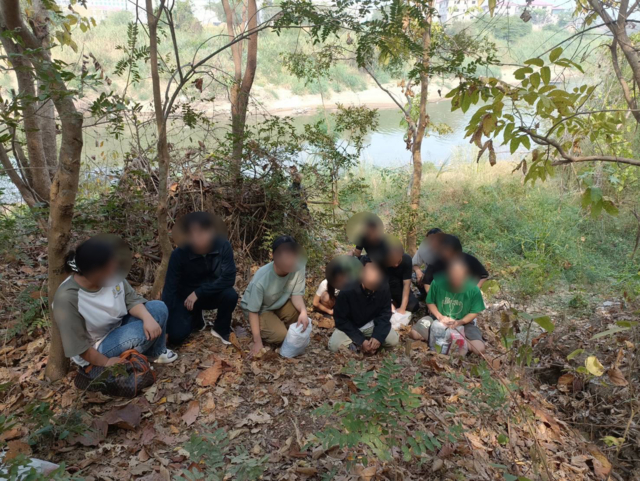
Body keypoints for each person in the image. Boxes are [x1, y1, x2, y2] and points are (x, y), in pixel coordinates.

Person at [53, 237, 177, 368]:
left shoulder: (110, 275)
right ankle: (122, 362)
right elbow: (80, 347)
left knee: (158, 307)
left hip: (119, 325)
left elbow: (131, 300)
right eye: (110, 267)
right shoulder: (66, 298)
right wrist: (105, 362)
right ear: (95, 271)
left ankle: (155, 352)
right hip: (97, 346)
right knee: (139, 333)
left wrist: (148, 318)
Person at [162, 212, 238, 345]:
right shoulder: (179, 254)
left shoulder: (223, 246)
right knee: (175, 337)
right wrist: (165, 327)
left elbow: (229, 278)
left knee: (230, 295)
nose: (197, 238)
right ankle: (196, 319)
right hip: (186, 299)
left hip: (211, 293)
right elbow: (170, 289)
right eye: (192, 234)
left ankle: (221, 328)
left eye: (202, 233)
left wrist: (199, 292)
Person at [241, 236, 309, 358]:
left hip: (278, 302)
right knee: (281, 336)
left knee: (298, 313)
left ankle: (275, 325)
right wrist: (257, 342)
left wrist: (304, 312)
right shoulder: (261, 279)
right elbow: (253, 311)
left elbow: (296, 295)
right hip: (260, 309)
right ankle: (270, 330)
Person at [410, 258, 486, 355]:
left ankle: (458, 343)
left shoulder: (473, 289)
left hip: (464, 323)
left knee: (479, 349)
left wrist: (460, 322)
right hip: (438, 318)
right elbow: (430, 302)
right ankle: (438, 341)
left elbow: (474, 312)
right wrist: (440, 317)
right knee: (415, 334)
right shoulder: (437, 283)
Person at [329, 260, 399, 353]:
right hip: (351, 326)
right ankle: (356, 346)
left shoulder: (384, 287)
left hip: (371, 324)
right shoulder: (347, 289)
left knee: (393, 340)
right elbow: (341, 320)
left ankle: (372, 344)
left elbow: (385, 313)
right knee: (333, 346)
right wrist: (361, 340)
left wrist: (378, 336)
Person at [421, 234, 488, 292]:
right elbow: (427, 282)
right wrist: (432, 297)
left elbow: (484, 275)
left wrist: (474, 290)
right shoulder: (436, 262)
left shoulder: (469, 260)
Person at [385, 241, 419, 313]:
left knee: (413, 306)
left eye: (398, 261)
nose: (396, 265)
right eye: (392, 261)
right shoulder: (381, 261)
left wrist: (403, 308)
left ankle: (397, 304)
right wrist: (389, 302)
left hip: (399, 287)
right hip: (386, 288)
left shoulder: (407, 259)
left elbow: (406, 284)